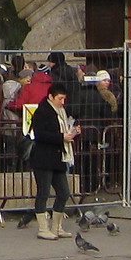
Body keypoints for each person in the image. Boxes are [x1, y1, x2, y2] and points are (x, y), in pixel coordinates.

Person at [25, 84, 76, 238]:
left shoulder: (60, 111)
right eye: (60, 98)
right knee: (44, 192)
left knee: (63, 193)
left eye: (64, 99)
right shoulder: (43, 111)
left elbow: (61, 131)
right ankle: (43, 229)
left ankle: (56, 227)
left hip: (58, 157)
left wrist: (71, 133)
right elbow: (40, 135)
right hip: (43, 157)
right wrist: (61, 137)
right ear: (51, 97)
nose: (62, 102)